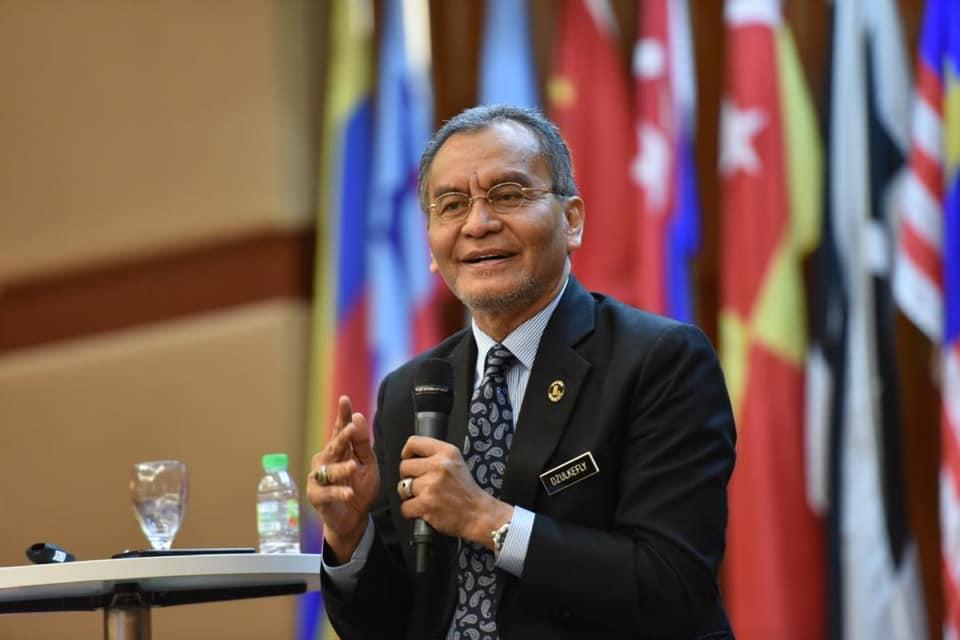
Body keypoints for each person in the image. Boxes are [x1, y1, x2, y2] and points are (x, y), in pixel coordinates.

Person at [307, 104, 736, 639]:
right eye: (452, 205)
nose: (478, 224)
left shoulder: (660, 361)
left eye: (508, 195)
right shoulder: (410, 391)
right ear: (431, 245)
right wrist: (350, 535)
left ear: (571, 220)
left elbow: (671, 585)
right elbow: (393, 625)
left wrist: (487, 519)